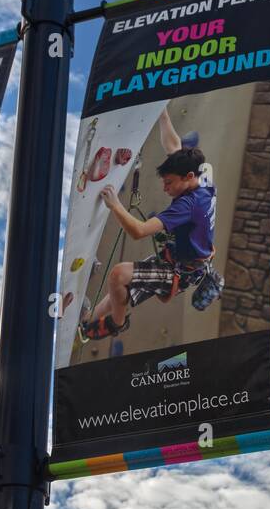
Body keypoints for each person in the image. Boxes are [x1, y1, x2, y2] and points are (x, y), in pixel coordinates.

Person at [78, 109, 224, 340]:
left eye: (169, 183)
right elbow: (174, 146)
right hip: (180, 260)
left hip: (179, 271)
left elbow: (138, 232)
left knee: (119, 275)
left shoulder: (187, 206)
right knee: (125, 286)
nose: (165, 188)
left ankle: (117, 323)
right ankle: (88, 319)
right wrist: (162, 112)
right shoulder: (202, 179)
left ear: (187, 177)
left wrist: (115, 205)